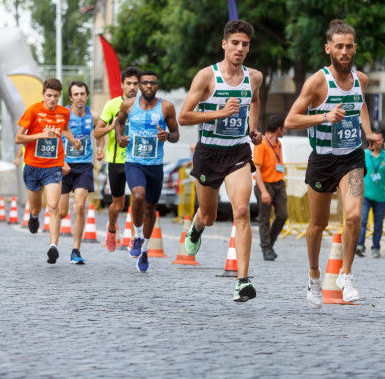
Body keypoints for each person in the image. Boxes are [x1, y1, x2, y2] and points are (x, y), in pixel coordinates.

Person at [284, 19, 379, 308]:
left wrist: (368, 132)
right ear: (329, 49)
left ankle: (346, 275)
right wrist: (324, 117)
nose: (345, 51)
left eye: (349, 46)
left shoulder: (360, 79)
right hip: (323, 160)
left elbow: (360, 103)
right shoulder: (317, 82)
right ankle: (314, 276)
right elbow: (290, 120)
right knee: (318, 223)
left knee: (352, 217)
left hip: (351, 157)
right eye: (339, 46)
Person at [178, 19, 264, 302]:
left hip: (237, 152)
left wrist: (252, 128)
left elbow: (254, 101)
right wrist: (219, 114)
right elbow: (184, 116)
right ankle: (196, 227)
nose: (240, 49)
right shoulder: (207, 77)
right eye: (235, 43)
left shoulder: (255, 77)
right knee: (210, 216)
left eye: (245, 45)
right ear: (224, 44)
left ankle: (242, 280)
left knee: (242, 210)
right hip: (208, 152)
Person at [115, 70, 180, 272]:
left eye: (153, 83)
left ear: (157, 86)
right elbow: (119, 122)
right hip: (134, 161)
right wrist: (119, 138)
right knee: (138, 195)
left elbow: (176, 134)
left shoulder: (166, 107)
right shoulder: (128, 104)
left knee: (151, 209)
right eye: (145, 83)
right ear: (140, 86)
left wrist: (167, 136)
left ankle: (144, 250)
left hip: (155, 165)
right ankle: (137, 236)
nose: (149, 86)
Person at [15, 78, 82, 262]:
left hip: (53, 166)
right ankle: (34, 216)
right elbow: (18, 138)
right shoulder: (33, 111)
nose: (52, 100)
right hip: (32, 166)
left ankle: (53, 246)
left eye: (55, 96)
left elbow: (65, 129)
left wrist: (73, 140)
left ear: (60, 96)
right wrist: (40, 135)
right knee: (36, 206)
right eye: (49, 96)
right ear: (43, 95)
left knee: (53, 206)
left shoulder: (63, 113)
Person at [93, 66, 141, 251]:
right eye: (128, 83)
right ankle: (112, 228)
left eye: (135, 83)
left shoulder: (145, 105)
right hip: (116, 161)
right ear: (122, 85)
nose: (132, 87)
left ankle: (136, 238)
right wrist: (111, 127)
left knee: (139, 198)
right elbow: (97, 131)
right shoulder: (112, 105)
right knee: (117, 205)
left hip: (138, 160)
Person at [58, 81, 104, 265]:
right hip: (63, 165)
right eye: (75, 94)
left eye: (82, 94)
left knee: (79, 206)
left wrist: (100, 148)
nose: (79, 97)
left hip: (84, 166)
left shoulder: (93, 115)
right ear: (70, 97)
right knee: (61, 212)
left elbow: (100, 133)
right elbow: (53, 139)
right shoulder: (63, 115)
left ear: (87, 95)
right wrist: (60, 161)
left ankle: (75, 250)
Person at [355, 131, 385, 258]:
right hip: (365, 194)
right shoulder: (364, 154)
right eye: (375, 139)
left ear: (382, 141)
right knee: (363, 220)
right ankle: (360, 245)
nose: (377, 142)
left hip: (380, 196)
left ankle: (375, 247)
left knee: (378, 223)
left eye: (379, 140)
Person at [253, 114, 288, 261]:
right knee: (264, 219)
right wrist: (263, 192)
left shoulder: (278, 144)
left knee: (282, 215)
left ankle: (269, 243)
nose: (285, 130)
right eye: (284, 128)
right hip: (265, 184)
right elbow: (257, 170)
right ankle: (266, 249)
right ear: (279, 129)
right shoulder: (261, 144)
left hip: (279, 183)